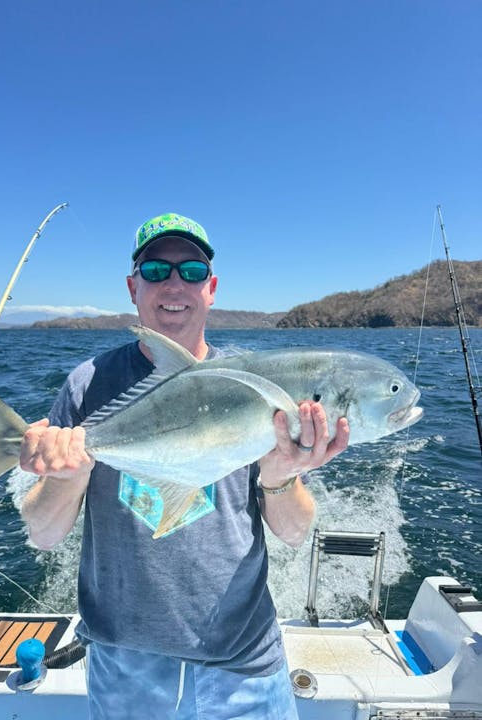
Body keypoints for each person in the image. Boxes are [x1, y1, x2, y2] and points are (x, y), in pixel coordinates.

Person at [20, 212, 349, 720]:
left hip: (243, 662)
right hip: (123, 663)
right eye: (156, 270)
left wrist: (281, 477)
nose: (174, 283)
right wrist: (70, 475)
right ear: (133, 287)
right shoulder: (87, 385)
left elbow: (294, 533)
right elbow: (43, 535)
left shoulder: (252, 386)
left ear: (211, 287)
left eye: (191, 271)